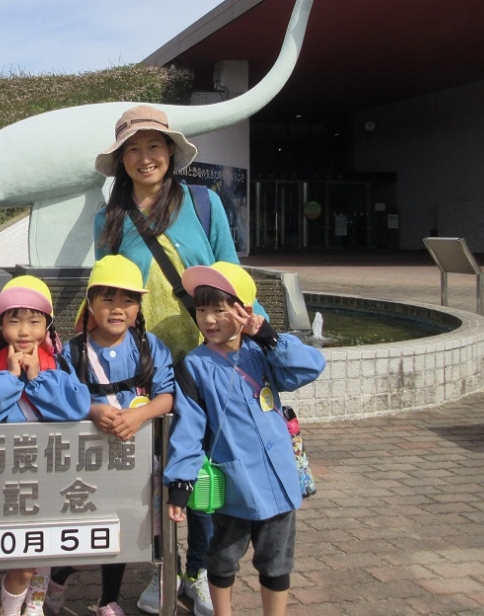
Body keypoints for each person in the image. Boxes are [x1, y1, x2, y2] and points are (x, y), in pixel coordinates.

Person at [94, 104, 267, 616]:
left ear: (170, 152)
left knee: (204, 471)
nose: (144, 157)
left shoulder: (203, 203)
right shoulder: (110, 217)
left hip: (204, 356)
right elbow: (107, 291)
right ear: (121, 160)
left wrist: (254, 333)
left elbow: (231, 275)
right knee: (155, 473)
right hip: (143, 365)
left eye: (154, 146)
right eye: (132, 149)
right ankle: (162, 570)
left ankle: (198, 573)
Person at [164, 263, 325, 616]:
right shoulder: (195, 365)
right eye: (201, 310)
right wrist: (180, 481)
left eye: (219, 309)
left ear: (244, 311)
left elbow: (311, 366)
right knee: (221, 560)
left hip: (279, 481)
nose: (208, 319)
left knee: (277, 563)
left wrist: (267, 335)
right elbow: (188, 430)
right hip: (233, 486)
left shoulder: (263, 351)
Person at [47, 256, 175, 616]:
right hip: (88, 460)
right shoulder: (73, 351)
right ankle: (58, 576)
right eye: (107, 299)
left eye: (128, 300)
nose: (118, 308)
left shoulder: (150, 346)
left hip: (137, 458)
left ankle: (108, 600)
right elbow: (59, 398)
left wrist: (139, 415)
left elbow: (166, 395)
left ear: (138, 308)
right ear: (90, 303)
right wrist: (92, 411)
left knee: (123, 528)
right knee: (88, 529)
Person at [0, 276, 91, 616]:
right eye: (14, 320)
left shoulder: (56, 364)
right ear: (1, 325)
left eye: (34, 321)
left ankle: (34, 606)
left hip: (50, 470)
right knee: (22, 554)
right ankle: (10, 609)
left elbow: (75, 408)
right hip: (6, 473)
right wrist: (10, 376)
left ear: (46, 326)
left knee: (44, 545)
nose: (23, 331)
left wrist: (36, 378)